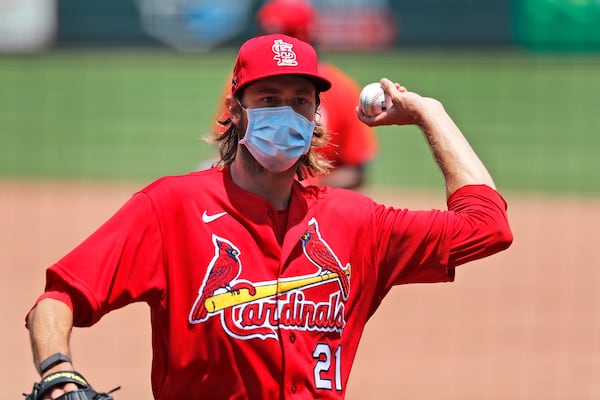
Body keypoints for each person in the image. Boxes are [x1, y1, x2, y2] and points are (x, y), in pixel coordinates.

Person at [25, 34, 513, 399]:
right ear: (236, 110)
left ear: (316, 115)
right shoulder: (171, 208)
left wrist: (431, 113)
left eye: (300, 100)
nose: (286, 112)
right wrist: (57, 374)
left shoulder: (356, 223)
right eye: (268, 99)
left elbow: (487, 226)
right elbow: (58, 298)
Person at [209, 0, 378, 189]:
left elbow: (355, 171)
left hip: (316, 207)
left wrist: (299, 190)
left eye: (300, 100)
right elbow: (225, 146)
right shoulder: (243, 81)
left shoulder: (342, 89)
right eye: (268, 99)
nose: (275, 47)